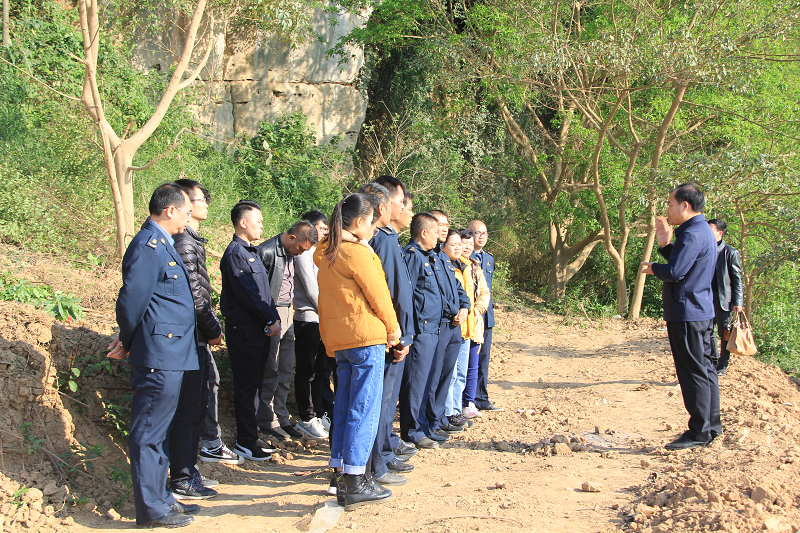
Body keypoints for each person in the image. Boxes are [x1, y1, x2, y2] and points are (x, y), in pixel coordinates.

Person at [113, 183, 199, 528]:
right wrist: (129, 339)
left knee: (158, 430)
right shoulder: (149, 245)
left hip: (171, 351)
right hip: (159, 352)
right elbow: (132, 299)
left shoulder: (163, 242)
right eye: (186, 211)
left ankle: (162, 497)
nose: (190, 216)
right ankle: (151, 510)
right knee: (148, 431)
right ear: (170, 211)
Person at [314, 193, 401, 510]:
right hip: (366, 338)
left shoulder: (328, 253)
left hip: (340, 341)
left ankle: (341, 476)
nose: (374, 230)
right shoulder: (357, 253)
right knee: (363, 409)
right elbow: (379, 294)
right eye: (373, 224)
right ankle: (356, 481)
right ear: (362, 222)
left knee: (345, 406)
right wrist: (393, 328)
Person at [641, 183, 721, 450]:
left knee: (692, 372)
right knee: (705, 370)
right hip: (700, 310)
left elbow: (675, 272)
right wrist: (666, 245)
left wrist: (653, 268)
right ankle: (710, 426)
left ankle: (699, 432)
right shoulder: (701, 231)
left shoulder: (692, 234)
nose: (668, 210)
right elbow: (685, 263)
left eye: (670, 204)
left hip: (687, 312)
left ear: (685, 206)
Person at [167, 179, 227, 502]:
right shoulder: (184, 243)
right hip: (190, 337)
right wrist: (212, 329)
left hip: (195, 336)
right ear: (185, 204)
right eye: (202, 199)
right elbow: (194, 297)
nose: (205, 204)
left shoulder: (190, 240)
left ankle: (188, 472)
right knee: (189, 409)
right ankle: (182, 477)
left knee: (196, 405)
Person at [361, 178, 415, 487]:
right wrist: (400, 334)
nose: (404, 207)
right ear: (385, 206)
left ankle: (381, 454)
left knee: (384, 400)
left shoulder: (387, 238)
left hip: (392, 332)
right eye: (401, 202)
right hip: (386, 334)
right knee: (379, 403)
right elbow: (390, 291)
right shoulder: (381, 239)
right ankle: (376, 462)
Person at [220, 201, 281, 461]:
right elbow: (249, 293)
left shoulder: (251, 252)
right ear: (243, 222)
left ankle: (251, 437)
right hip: (244, 331)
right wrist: (269, 317)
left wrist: (273, 317)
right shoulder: (236, 253)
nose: (262, 225)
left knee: (255, 386)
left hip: (258, 330)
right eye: (258, 220)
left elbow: (265, 293)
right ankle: (245, 442)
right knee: (247, 387)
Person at [401, 214, 463, 449]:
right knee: (415, 384)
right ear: (424, 233)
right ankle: (412, 430)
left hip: (435, 327)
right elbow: (407, 295)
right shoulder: (413, 256)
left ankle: (423, 425)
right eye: (436, 231)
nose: (440, 235)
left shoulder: (430, 257)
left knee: (427, 382)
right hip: (421, 330)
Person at [255, 221, 317, 440]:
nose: (301, 253)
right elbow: (259, 291)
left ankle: (281, 416)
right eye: (301, 248)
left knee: (285, 369)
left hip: (287, 312)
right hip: (272, 313)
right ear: (293, 238)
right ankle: (266, 419)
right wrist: (268, 317)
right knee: (270, 369)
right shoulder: (267, 251)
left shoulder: (291, 254)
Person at [293, 211, 334, 440]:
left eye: (327, 229)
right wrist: (328, 311)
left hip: (322, 318)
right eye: (321, 228)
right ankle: (306, 417)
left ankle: (319, 413)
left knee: (321, 371)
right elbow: (310, 289)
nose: (325, 232)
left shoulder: (321, 252)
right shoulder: (304, 252)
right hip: (308, 318)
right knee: (306, 372)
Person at [428, 229, 471, 440]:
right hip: (442, 324)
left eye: (458, 244)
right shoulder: (434, 260)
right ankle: (432, 420)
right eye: (453, 244)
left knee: (447, 375)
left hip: (455, 326)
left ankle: (440, 418)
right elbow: (433, 294)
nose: (458, 247)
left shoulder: (450, 265)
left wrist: (465, 307)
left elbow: (459, 291)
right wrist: (453, 310)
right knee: (436, 376)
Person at [449, 229, 490, 422]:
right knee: (453, 371)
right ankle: (452, 410)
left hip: (474, 323)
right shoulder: (451, 265)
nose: (466, 247)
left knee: (470, 367)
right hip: (456, 324)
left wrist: (476, 310)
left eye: (469, 245)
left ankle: (467, 403)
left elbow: (484, 293)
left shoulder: (475, 268)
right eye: (462, 243)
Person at [467, 220, 502, 412]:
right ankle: (467, 399)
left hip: (486, 317)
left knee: (484, 359)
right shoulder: (464, 255)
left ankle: (481, 397)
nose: (481, 236)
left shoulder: (488, 259)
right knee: (468, 360)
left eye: (484, 233)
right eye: (476, 233)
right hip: (471, 316)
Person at [707, 219, 744, 376]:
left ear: (720, 233)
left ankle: (723, 364)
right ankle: (713, 361)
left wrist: (738, 302)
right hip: (705, 297)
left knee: (725, 333)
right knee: (708, 330)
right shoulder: (704, 250)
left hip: (724, 300)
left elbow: (737, 280)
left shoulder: (731, 253)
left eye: (711, 230)